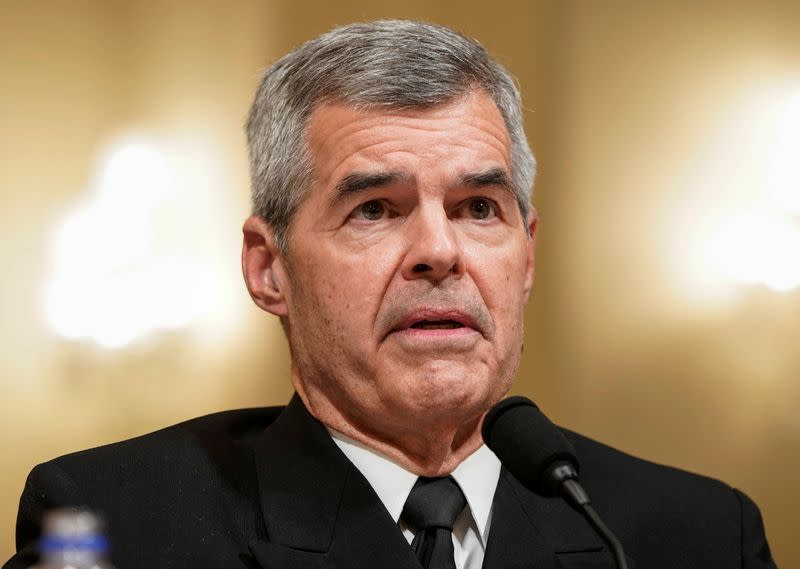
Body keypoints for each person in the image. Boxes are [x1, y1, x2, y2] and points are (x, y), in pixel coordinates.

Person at [6, 20, 776, 569]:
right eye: (374, 209)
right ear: (268, 268)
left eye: (479, 208)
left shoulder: (698, 533)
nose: (441, 252)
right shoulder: (112, 522)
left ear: (528, 255)